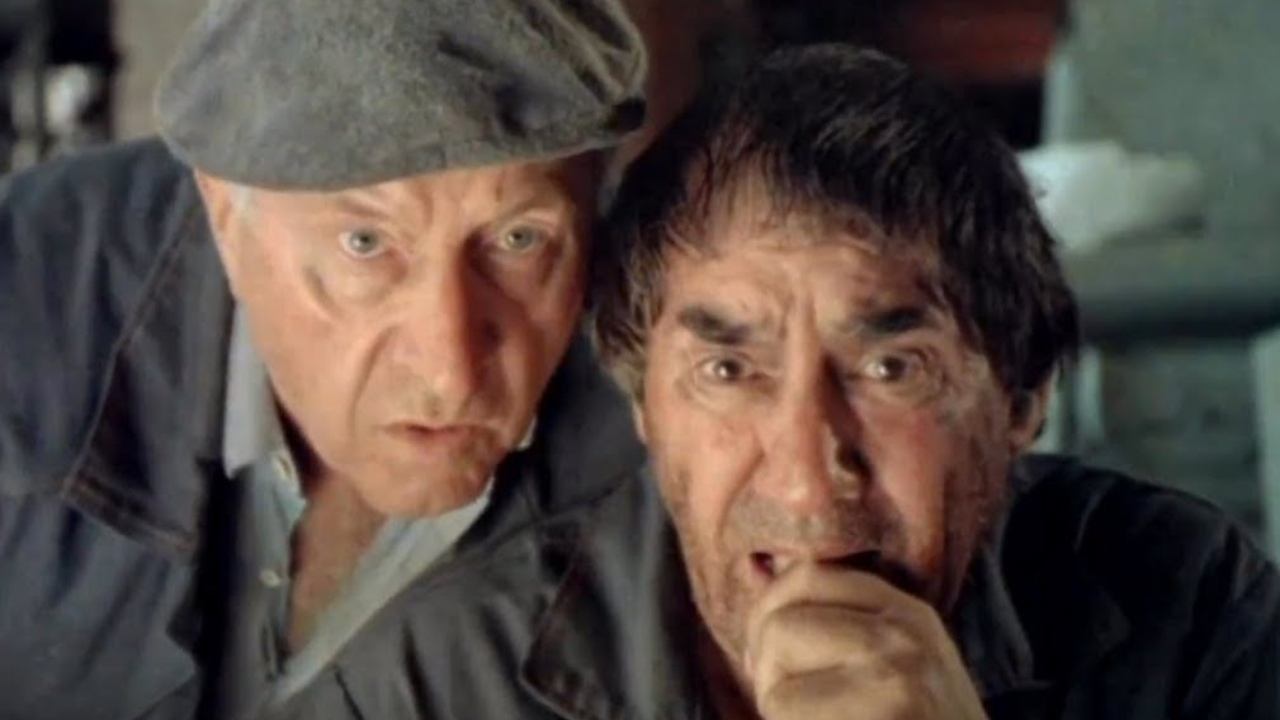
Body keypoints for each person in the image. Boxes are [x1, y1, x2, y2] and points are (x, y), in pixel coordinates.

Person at [588, 44, 1280, 719]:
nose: (805, 482)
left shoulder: (1193, 612)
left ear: (1021, 399)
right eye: (727, 371)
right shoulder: (520, 647)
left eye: (892, 368)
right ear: (641, 401)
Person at [0, 0, 650, 718]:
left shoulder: (675, 438)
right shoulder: (24, 303)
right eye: (365, 243)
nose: (450, 373)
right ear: (225, 214)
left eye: (519, 240)